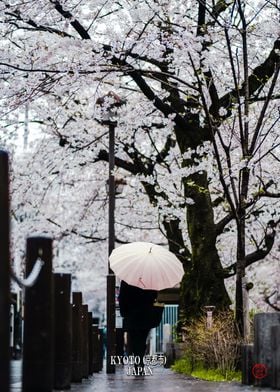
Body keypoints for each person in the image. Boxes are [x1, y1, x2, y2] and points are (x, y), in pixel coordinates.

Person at [118, 280, 158, 375]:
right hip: (146, 314)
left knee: (134, 339)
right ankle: (140, 362)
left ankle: (138, 363)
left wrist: (124, 313)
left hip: (131, 315)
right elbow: (154, 295)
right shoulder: (149, 279)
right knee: (142, 339)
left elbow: (122, 298)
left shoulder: (126, 280)